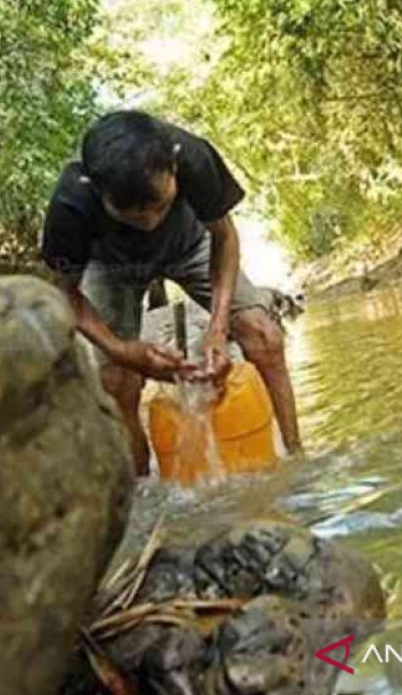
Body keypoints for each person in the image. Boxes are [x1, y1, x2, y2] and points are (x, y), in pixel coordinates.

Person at [40, 110, 302, 475]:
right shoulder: (71, 203)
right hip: (112, 268)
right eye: (133, 217)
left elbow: (224, 237)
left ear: (173, 170)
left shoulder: (191, 156)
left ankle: (297, 458)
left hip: (192, 245)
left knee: (264, 335)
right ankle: (143, 487)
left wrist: (218, 327)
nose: (151, 223)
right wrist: (124, 351)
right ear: (99, 193)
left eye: (161, 206)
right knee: (116, 380)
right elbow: (66, 294)